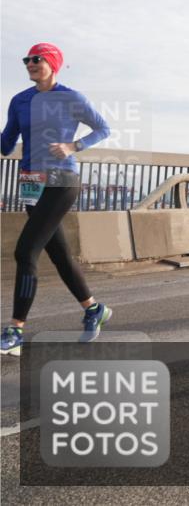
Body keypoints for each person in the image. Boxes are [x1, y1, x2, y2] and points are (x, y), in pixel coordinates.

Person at [0, 43, 112, 357]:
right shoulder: (19, 101)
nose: (30, 64)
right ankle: (93, 309)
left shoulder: (71, 97)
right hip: (32, 183)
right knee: (59, 253)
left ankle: (16, 330)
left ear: (52, 63)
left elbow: (103, 128)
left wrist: (73, 145)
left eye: (37, 59)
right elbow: (6, 145)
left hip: (62, 180)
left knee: (26, 251)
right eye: (27, 60)